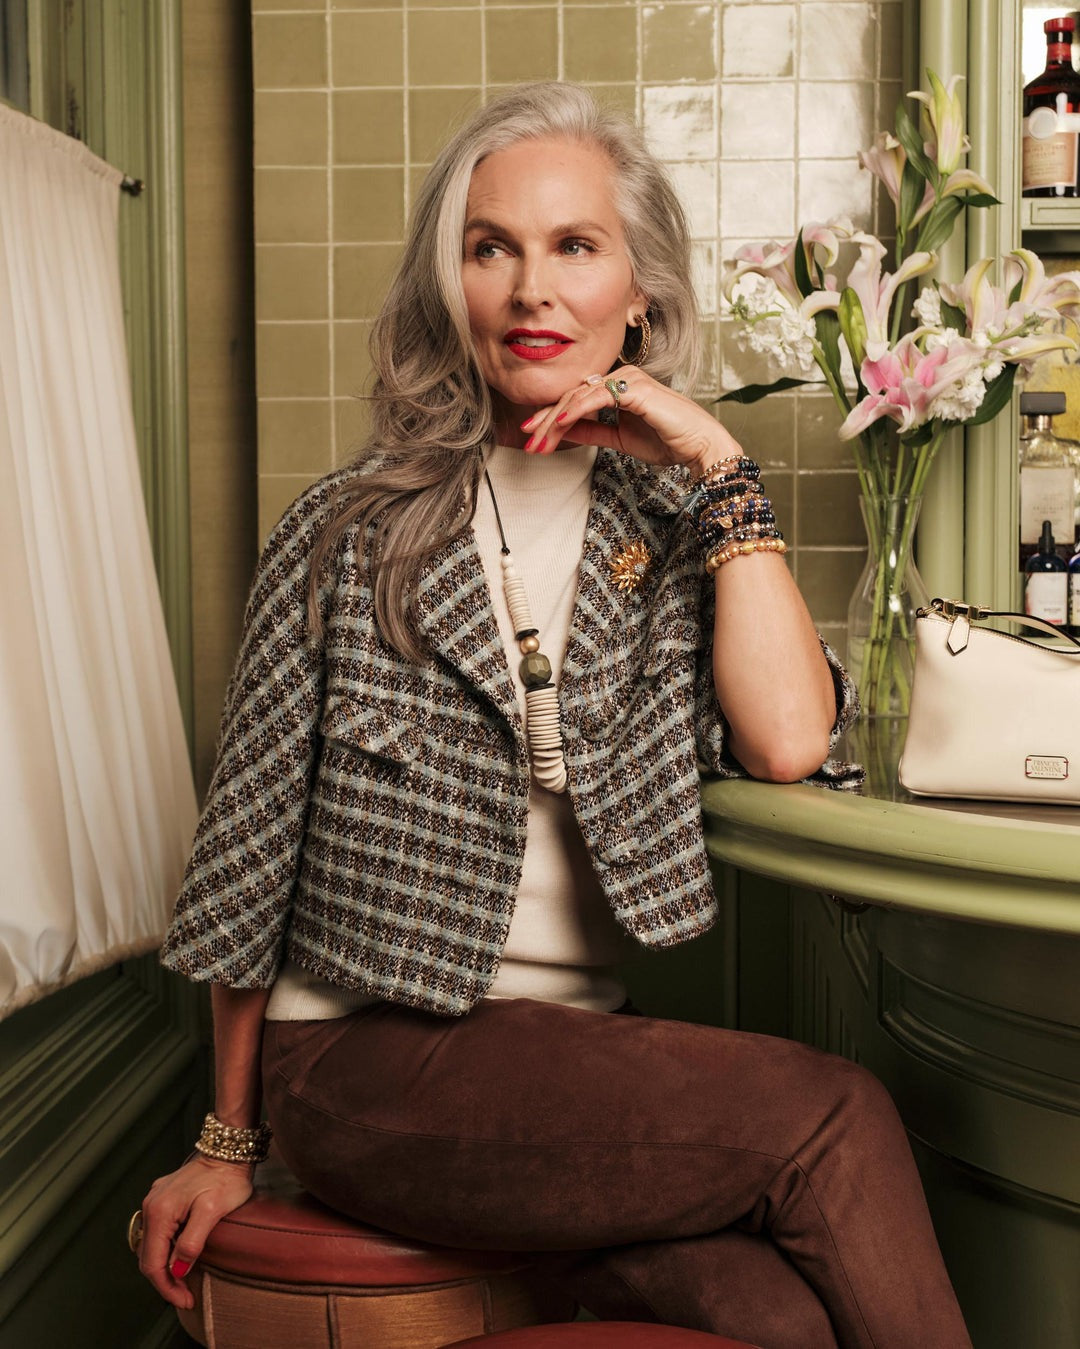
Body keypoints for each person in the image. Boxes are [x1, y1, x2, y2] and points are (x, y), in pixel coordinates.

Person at [137, 82, 971, 1349]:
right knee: (835, 1113)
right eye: (492, 248)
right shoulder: (347, 530)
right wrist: (225, 1139)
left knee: (777, 1316)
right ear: (449, 283)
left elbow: (793, 739)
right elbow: (244, 862)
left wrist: (720, 471)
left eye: (574, 246)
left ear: (635, 291)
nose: (532, 289)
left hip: (568, 1069)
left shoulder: (670, 528)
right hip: (372, 1058)